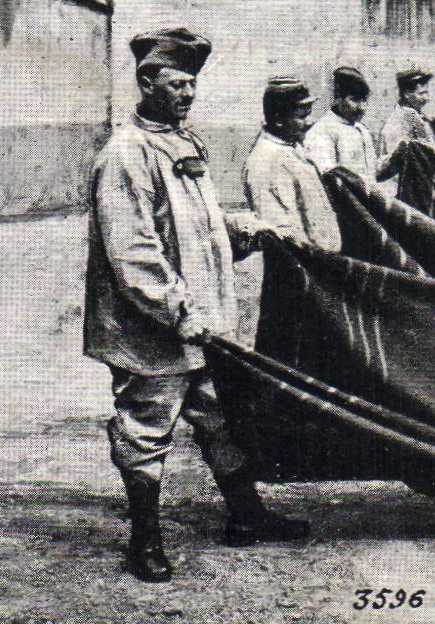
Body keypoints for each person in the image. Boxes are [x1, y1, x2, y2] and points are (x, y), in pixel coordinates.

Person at [87, 29, 308, 584]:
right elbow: (134, 255)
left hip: (205, 324)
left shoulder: (185, 143)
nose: (188, 93)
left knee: (221, 419)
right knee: (146, 428)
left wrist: (246, 229)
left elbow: (199, 230)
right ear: (146, 82)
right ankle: (145, 540)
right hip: (155, 329)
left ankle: (246, 515)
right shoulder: (125, 155)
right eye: (178, 83)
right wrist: (183, 313)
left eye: (192, 84)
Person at [244, 76, 342, 251]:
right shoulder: (265, 161)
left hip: (324, 262)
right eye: (301, 116)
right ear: (279, 119)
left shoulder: (292, 147)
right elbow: (283, 235)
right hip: (304, 268)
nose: (309, 122)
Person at [303, 66, 379, 185]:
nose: (361, 107)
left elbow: (372, 174)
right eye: (354, 100)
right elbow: (329, 180)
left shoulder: (361, 129)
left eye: (364, 100)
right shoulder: (322, 131)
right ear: (337, 98)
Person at [378, 69, 435, 178]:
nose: (426, 98)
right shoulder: (398, 121)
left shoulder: (417, 116)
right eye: (421, 94)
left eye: (426, 93)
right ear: (406, 94)